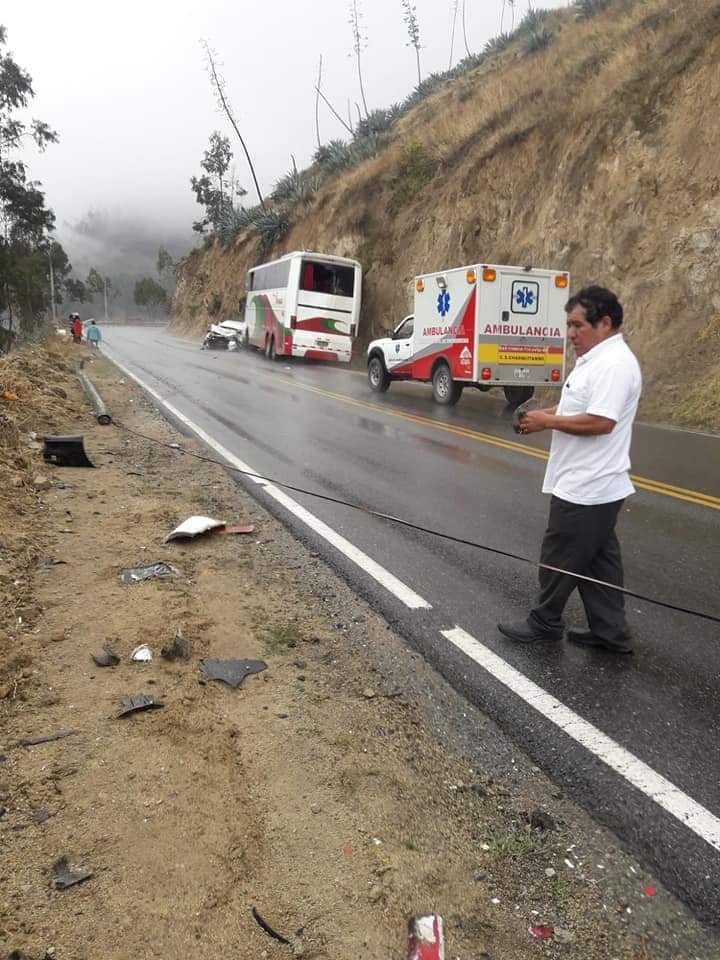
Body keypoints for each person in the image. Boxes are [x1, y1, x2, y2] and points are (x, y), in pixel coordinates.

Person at [497, 286, 642, 654]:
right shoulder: (594, 359)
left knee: (559, 556)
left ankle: (544, 623)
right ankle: (611, 632)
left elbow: (601, 421)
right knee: (597, 563)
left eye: (578, 325)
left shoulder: (614, 364)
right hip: (592, 484)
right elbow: (578, 406)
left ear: (604, 323)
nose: (571, 333)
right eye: (569, 325)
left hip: (588, 486)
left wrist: (547, 421)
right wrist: (541, 415)